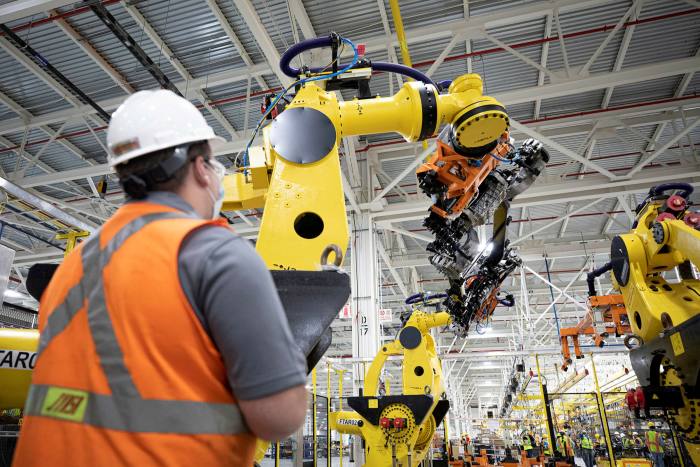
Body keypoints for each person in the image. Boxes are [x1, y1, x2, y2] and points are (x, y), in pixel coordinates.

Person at [13, 90, 308, 466]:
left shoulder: (73, 267)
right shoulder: (214, 254)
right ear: (202, 168)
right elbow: (279, 419)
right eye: (215, 167)